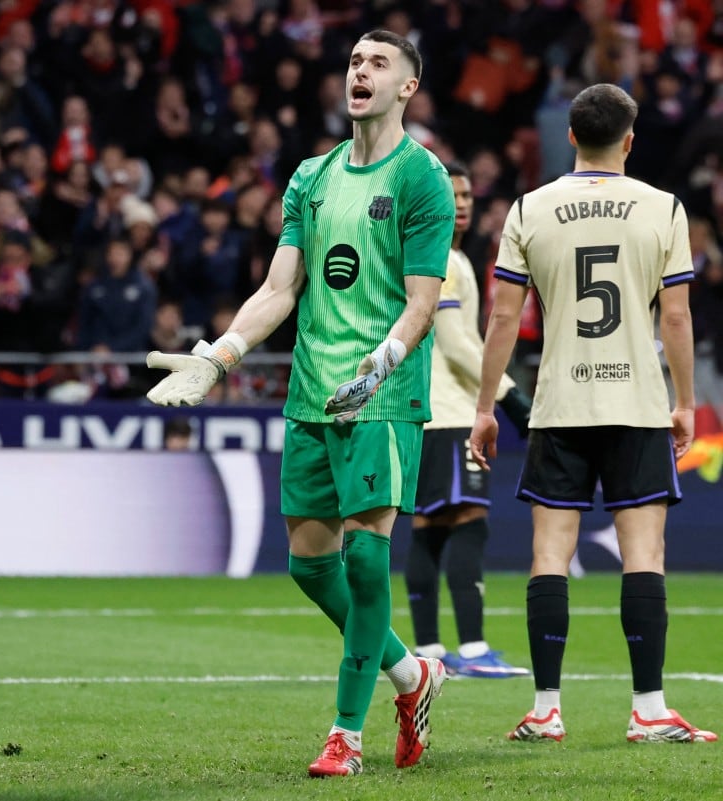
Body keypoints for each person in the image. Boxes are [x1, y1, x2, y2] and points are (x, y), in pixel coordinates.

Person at [146, 30, 453, 777]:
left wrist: (380, 366)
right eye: (354, 60)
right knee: (311, 566)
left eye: (379, 63)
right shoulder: (310, 177)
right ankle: (412, 674)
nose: (361, 71)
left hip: (380, 399)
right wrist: (218, 356)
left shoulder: (423, 179)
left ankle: (345, 735)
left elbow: (422, 303)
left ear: (407, 87)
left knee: (365, 560)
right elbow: (280, 288)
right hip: (312, 394)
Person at [470, 83, 717, 745]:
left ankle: (545, 707)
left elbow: (502, 316)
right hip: (636, 403)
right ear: (629, 140)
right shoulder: (662, 208)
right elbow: (675, 314)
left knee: (549, 553)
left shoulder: (530, 207)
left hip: (560, 403)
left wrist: (486, 406)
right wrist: (686, 401)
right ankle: (649, 708)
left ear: (571, 136)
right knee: (645, 554)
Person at [404, 162, 531, 679]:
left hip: (419, 412)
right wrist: (509, 396)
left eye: (466, 197)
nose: (460, 204)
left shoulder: (422, 253)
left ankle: (431, 651)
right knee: (467, 524)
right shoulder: (446, 260)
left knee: (429, 528)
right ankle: (474, 651)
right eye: (450, 195)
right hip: (453, 412)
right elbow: (456, 341)